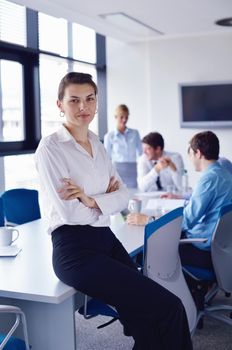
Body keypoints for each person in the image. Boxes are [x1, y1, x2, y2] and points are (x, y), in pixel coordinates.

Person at [35, 72, 192, 350]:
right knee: (170, 308)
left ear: (97, 103)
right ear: (60, 104)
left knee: (146, 318)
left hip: (105, 239)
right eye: (74, 100)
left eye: (89, 99)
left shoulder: (98, 144)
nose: (83, 107)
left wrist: (91, 200)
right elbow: (71, 214)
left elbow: (124, 196)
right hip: (74, 250)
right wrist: (104, 201)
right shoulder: (51, 148)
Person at [128, 131, 232, 272]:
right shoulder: (224, 172)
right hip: (222, 248)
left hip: (204, 249)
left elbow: (186, 221)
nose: (189, 158)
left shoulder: (208, 179)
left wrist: (149, 220)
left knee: (144, 254)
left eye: (190, 153)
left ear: (198, 153)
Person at [104, 104, 142, 188]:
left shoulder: (135, 133)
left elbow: (141, 154)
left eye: (126, 117)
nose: (124, 120)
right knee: (119, 194)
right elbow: (107, 158)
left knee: (134, 193)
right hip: (117, 171)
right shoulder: (109, 136)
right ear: (115, 117)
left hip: (133, 170)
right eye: (121, 117)